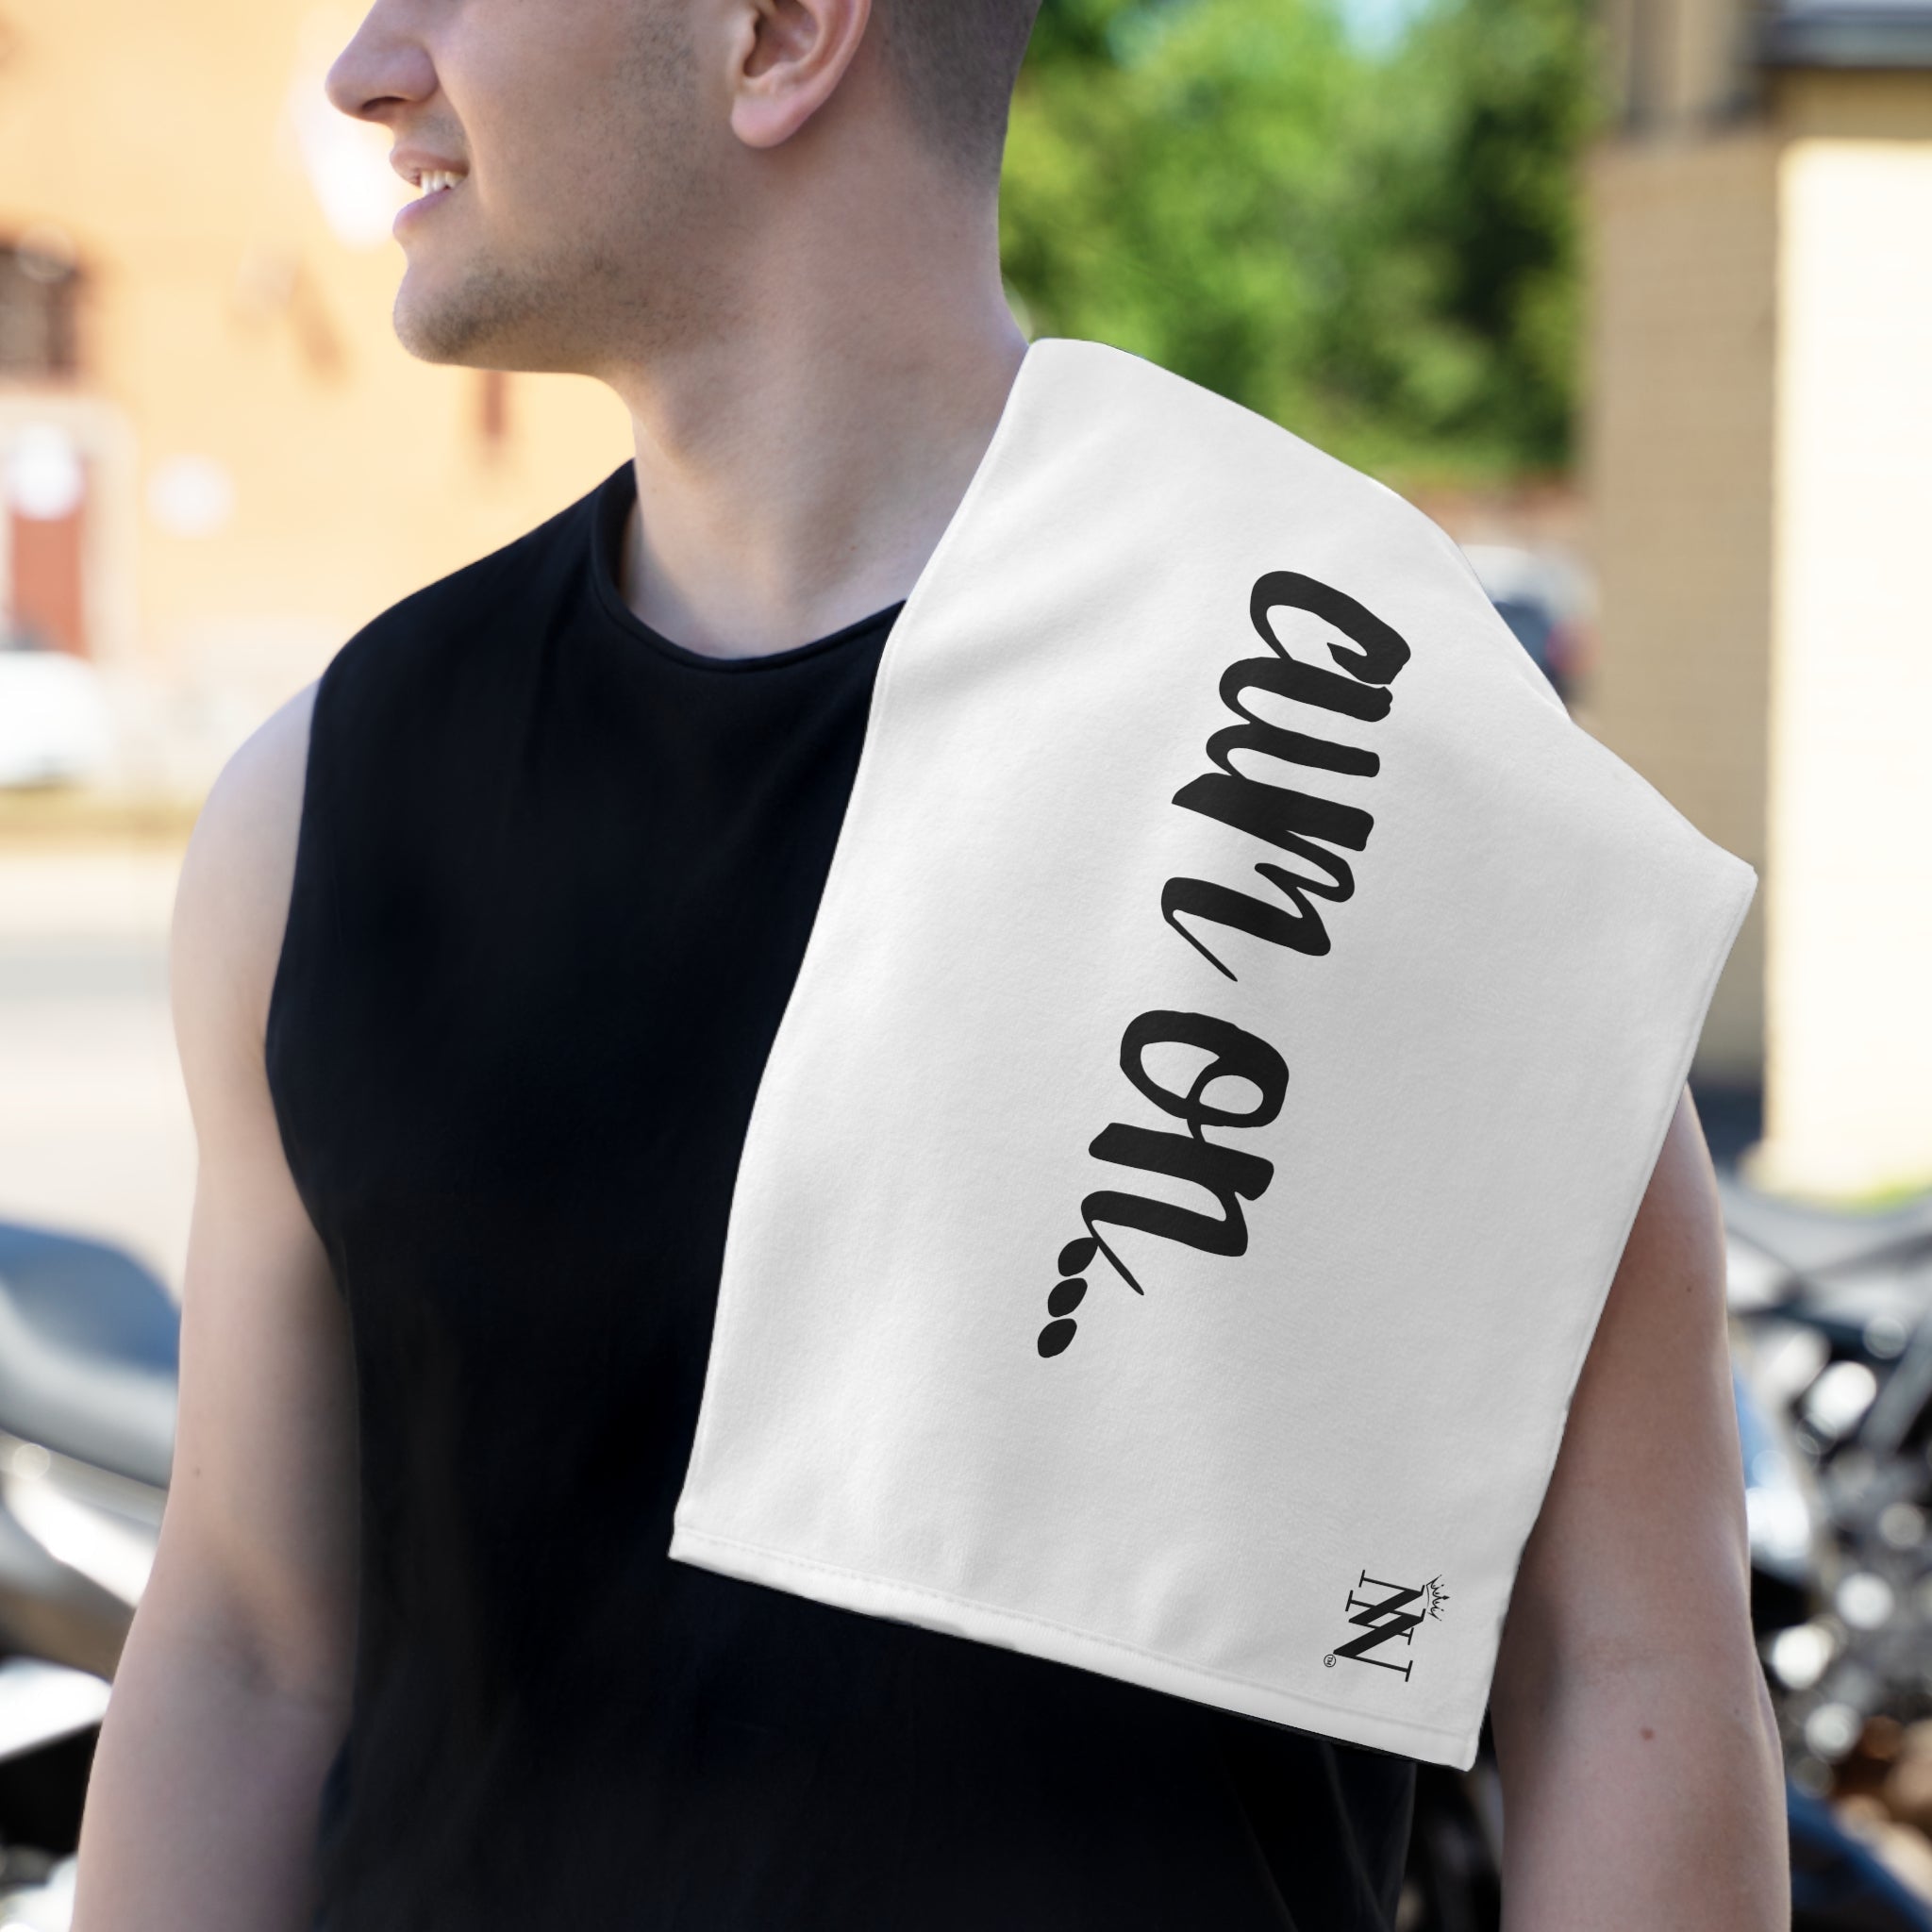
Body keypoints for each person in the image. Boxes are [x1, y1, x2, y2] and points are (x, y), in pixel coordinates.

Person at [70, 0, 1789, 1925]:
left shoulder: (1371, 749)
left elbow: (1620, 1673)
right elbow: (246, 1650)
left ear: (779, 35)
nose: (371, 65)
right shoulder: (327, 802)